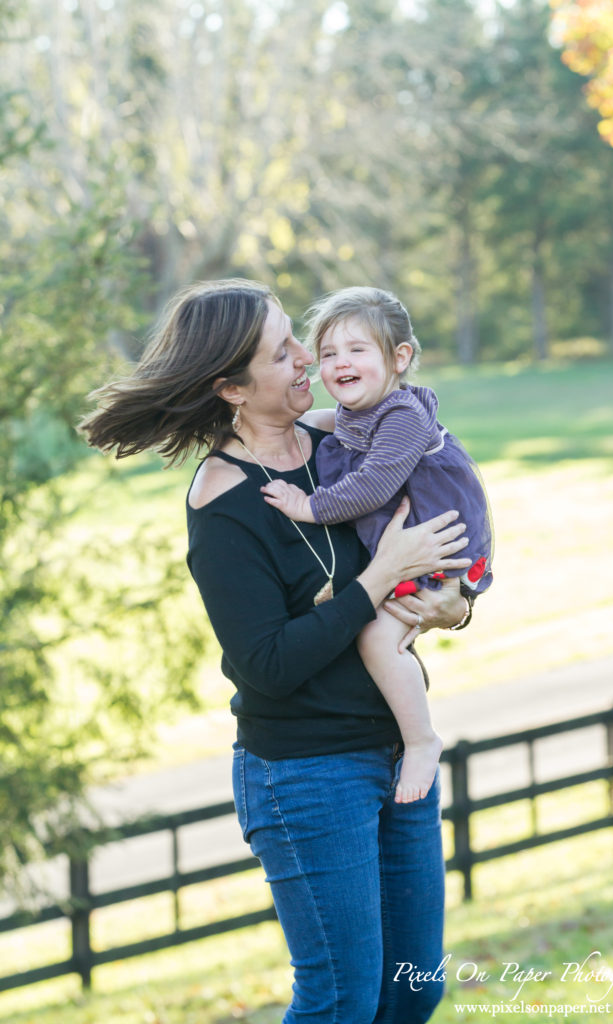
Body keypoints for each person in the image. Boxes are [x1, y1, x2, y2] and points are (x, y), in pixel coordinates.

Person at [80, 278, 474, 1024]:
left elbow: (437, 532)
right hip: (306, 773)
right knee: (339, 1003)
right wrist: (377, 580)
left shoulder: (346, 440)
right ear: (231, 386)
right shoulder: (222, 503)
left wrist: (456, 607)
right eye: (282, 351)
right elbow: (265, 664)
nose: (308, 358)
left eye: (299, 338)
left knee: (411, 994)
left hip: (397, 752)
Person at [261, 286, 493, 804]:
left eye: (356, 350)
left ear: (400, 358)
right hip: (413, 544)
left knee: (376, 641)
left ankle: (420, 739)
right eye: (328, 354)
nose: (339, 362)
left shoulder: (402, 417)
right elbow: (325, 433)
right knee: (380, 624)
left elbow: (372, 486)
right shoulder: (359, 414)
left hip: (436, 541)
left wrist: (307, 506)